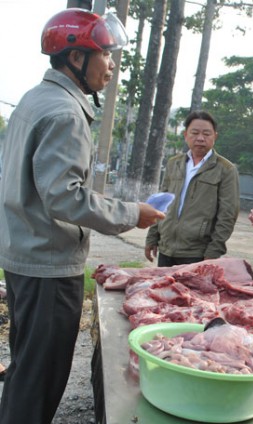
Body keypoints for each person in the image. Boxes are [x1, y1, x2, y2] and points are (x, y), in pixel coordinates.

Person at [0, 9, 163, 424]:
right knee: (40, 380)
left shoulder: (35, 100)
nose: (111, 65)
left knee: (25, 370)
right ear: (76, 58)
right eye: (106, 55)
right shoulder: (67, 113)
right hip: (49, 268)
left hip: (23, 257)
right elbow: (65, 199)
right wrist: (132, 213)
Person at [145, 111, 240, 266]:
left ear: (215, 136)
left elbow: (228, 214)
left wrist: (214, 251)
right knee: (163, 289)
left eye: (206, 134)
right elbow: (161, 203)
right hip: (166, 249)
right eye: (195, 133)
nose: (200, 138)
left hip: (198, 253)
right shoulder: (173, 163)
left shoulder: (226, 169)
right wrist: (152, 237)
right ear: (185, 135)